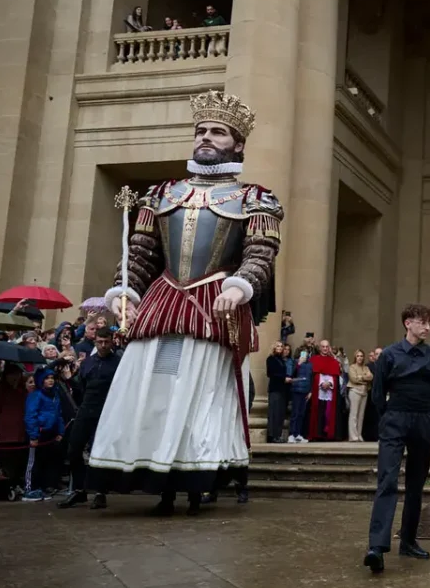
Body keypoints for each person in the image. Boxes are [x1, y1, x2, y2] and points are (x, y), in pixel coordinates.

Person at [90, 90, 283, 516]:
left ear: (238, 144)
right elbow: (139, 253)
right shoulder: (159, 194)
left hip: (215, 302)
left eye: (217, 132)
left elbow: (260, 252)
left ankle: (194, 475)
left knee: (199, 391)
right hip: (161, 302)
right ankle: (145, 469)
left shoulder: (255, 198)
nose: (206, 138)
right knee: (147, 388)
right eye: (201, 131)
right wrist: (124, 292)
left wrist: (241, 285)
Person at [365, 304, 430, 573]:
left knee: (416, 483)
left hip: (422, 419)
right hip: (395, 417)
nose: (428, 327)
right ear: (408, 323)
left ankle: (408, 540)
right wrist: (389, 417)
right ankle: (376, 546)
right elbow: (378, 393)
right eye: (424, 322)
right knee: (387, 480)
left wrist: (426, 418)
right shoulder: (389, 354)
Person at [59, 326, 119, 509]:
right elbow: (81, 387)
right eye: (99, 342)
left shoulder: (118, 363)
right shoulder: (88, 362)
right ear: (95, 342)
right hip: (86, 409)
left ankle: (100, 492)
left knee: (99, 452)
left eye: (106, 342)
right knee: (74, 449)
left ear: (111, 341)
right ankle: (79, 490)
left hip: (107, 411)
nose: (102, 345)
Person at [23, 368, 65, 501]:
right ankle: (30, 489)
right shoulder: (35, 395)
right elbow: (30, 416)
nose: (50, 380)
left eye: (52, 377)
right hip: (39, 433)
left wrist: (60, 431)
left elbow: (58, 415)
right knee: (34, 462)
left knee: (46, 461)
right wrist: (33, 435)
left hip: (50, 433)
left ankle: (42, 487)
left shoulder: (54, 395)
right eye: (47, 378)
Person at [308, 340, 342, 441]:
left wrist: (330, 384)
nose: (325, 349)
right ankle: (316, 434)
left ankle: (327, 434)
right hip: (318, 391)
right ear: (319, 348)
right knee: (318, 413)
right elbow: (313, 376)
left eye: (327, 347)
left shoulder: (334, 361)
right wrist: (321, 383)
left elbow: (335, 377)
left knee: (328, 413)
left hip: (329, 392)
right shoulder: (314, 360)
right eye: (323, 347)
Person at [265, 342, 290, 443]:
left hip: (282, 389)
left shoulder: (282, 360)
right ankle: (272, 435)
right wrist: (283, 378)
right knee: (274, 413)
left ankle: (278, 435)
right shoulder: (270, 359)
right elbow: (270, 373)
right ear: (274, 348)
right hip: (275, 389)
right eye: (278, 346)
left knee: (280, 413)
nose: (280, 348)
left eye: (281, 346)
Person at [347, 350, 372, 442]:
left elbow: (371, 377)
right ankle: (353, 436)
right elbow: (354, 379)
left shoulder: (366, 368)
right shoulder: (352, 367)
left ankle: (359, 434)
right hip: (354, 391)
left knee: (361, 415)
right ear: (355, 357)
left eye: (361, 356)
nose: (360, 358)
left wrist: (360, 377)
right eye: (358, 356)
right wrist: (364, 378)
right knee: (354, 414)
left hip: (364, 392)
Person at [288, 349, 312, 443]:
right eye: (303, 354)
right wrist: (298, 364)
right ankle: (291, 434)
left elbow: (311, 378)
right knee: (295, 413)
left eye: (306, 354)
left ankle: (298, 434)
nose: (304, 356)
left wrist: (310, 391)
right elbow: (291, 374)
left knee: (302, 414)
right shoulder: (295, 362)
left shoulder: (310, 365)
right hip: (296, 390)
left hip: (305, 391)